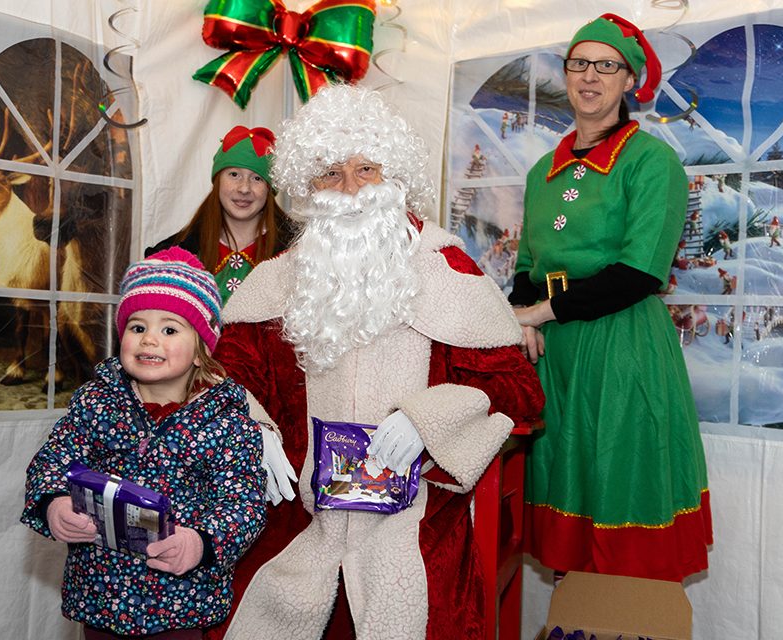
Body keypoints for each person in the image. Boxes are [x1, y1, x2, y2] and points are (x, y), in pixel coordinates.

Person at [209, 83, 545, 640]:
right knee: (258, 594)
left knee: (411, 597)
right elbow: (225, 374)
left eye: (366, 170)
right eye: (330, 173)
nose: (349, 190)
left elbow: (516, 389)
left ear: (395, 179)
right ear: (306, 186)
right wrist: (254, 422)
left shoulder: (447, 269)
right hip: (302, 512)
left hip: (416, 514)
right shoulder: (279, 277)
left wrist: (429, 420)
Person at [508, 13, 712, 582]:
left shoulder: (652, 162)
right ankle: (580, 615)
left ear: (631, 81)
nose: (590, 76)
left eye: (607, 65)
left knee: (620, 480)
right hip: (557, 356)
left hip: (621, 348)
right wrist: (522, 319)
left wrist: (537, 312)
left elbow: (638, 273)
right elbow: (527, 267)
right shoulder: (541, 172)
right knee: (569, 487)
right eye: (579, 63)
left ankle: (625, 614)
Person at [21, 246, 267, 638]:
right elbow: (52, 460)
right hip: (101, 596)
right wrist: (53, 504)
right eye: (137, 327)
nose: (149, 339)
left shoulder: (227, 423)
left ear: (202, 350)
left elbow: (244, 503)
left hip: (180, 602)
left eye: (169, 329)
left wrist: (200, 543)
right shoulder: (96, 402)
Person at [147, 126, 296, 305]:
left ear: (269, 189)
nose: (244, 188)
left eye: (257, 178)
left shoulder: (297, 254)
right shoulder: (173, 258)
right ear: (218, 182)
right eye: (234, 175)